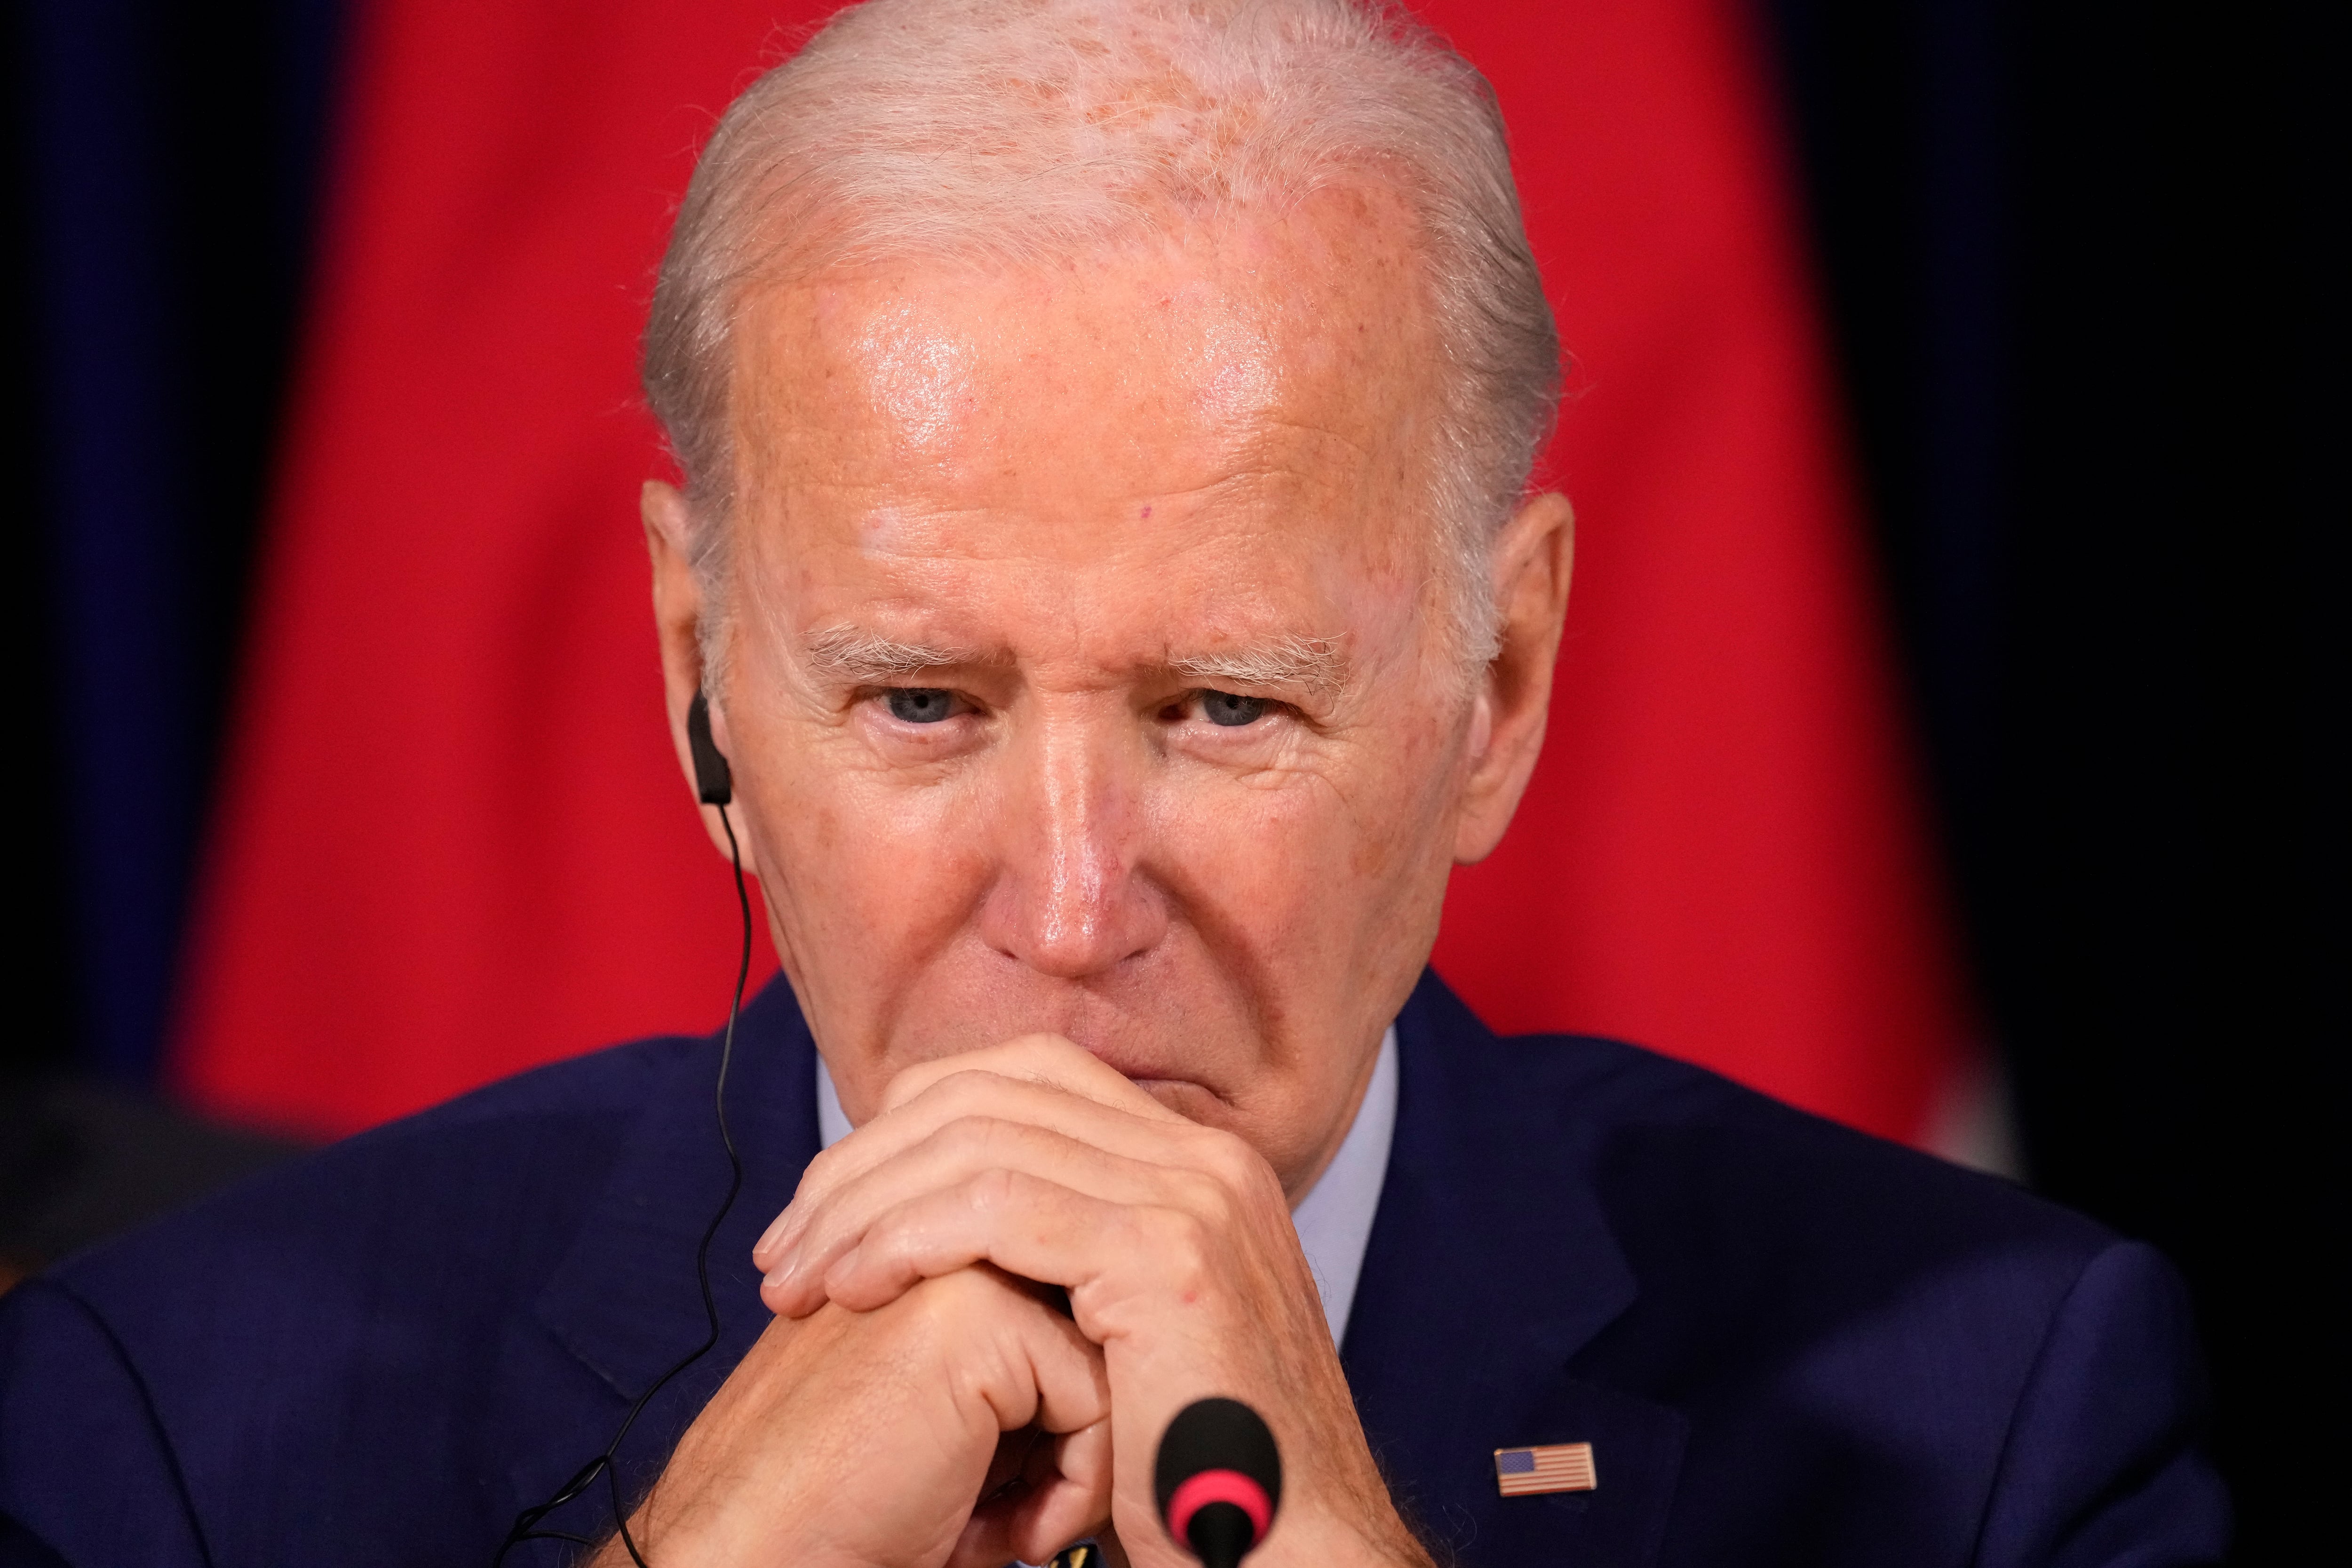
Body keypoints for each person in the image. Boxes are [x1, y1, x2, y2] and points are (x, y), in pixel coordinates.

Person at [0, 2, 2228, 1565]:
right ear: (704, 680)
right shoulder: (176, 1417)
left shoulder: (1995, 1422)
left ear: (1502, 677)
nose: (1068, 909)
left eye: (1223, 709)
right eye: (920, 706)